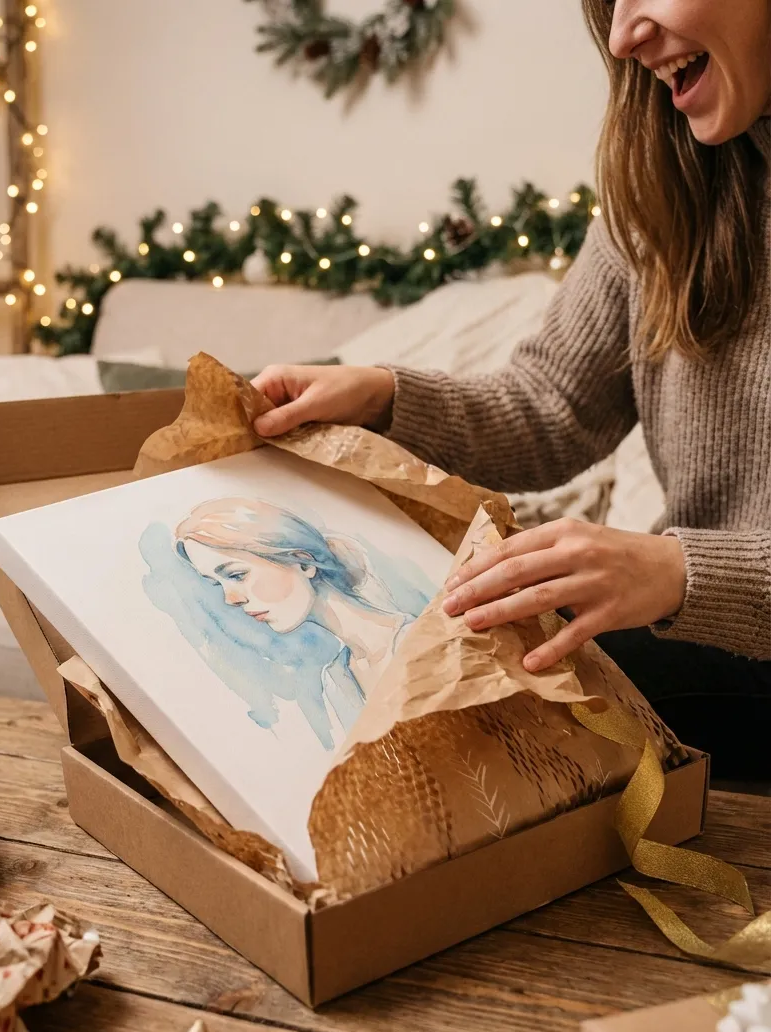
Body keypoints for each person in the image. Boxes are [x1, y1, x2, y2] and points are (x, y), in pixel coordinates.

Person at [250, 0, 771, 775]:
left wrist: (678, 573)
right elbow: (551, 408)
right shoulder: (661, 187)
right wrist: (384, 397)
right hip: (709, 649)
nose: (625, 36)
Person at [175, 498, 415, 738]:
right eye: (217, 584)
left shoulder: (419, 641)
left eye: (236, 575)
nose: (231, 599)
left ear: (303, 562)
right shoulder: (337, 680)